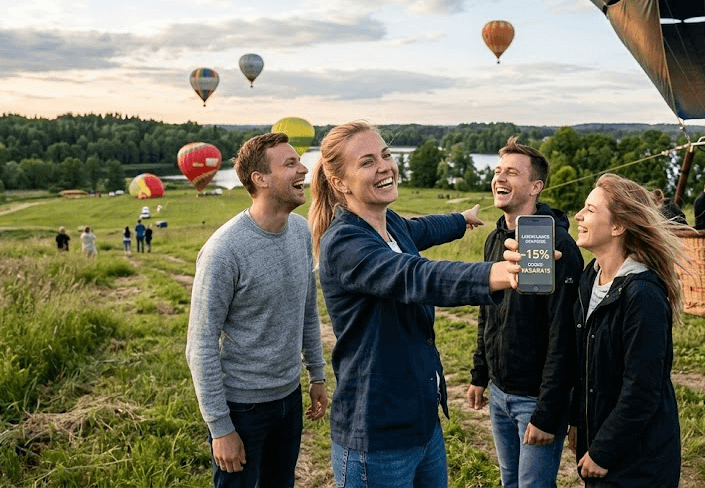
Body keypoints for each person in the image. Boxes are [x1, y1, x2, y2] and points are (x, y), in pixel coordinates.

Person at [308, 122, 521, 488]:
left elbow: (423, 228)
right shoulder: (344, 243)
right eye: (367, 162)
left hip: (422, 422)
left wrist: (460, 219)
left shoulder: (391, 224)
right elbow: (415, 276)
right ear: (340, 182)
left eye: (387, 155)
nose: (385, 167)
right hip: (375, 433)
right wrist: (500, 273)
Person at [186, 133, 328, 488]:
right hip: (242, 409)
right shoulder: (224, 251)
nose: (304, 169)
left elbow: (308, 311)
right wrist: (220, 428)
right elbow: (200, 345)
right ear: (259, 179)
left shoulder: (300, 231)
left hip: (289, 399)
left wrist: (317, 375)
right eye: (290, 164)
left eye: (300, 161)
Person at [467, 138, 584, 488]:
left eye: (512, 173)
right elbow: (488, 312)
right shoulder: (496, 239)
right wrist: (479, 373)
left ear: (535, 186)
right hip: (500, 394)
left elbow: (563, 334)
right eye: (498, 171)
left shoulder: (559, 247)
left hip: (535, 400)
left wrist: (547, 413)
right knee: (509, 480)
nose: (499, 178)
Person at [568, 174, 683, 487]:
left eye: (590, 210)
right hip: (603, 446)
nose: (578, 216)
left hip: (638, 462)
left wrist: (603, 451)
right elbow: (587, 367)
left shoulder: (642, 294)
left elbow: (642, 388)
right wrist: (578, 423)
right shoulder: (589, 280)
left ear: (618, 227)